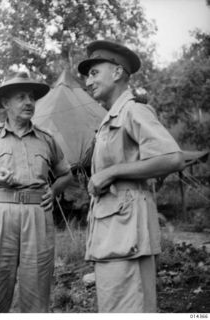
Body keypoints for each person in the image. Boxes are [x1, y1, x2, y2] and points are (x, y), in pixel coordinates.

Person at [77, 40, 185, 312]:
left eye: (93, 73)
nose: (88, 81)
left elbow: (172, 158)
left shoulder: (133, 111)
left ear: (116, 73)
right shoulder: (111, 117)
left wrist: (112, 172)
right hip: (114, 235)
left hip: (126, 237)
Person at [0, 72, 73, 313]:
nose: (29, 102)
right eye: (21, 97)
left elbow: (67, 174)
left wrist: (53, 191)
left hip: (37, 215)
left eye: (32, 97)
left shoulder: (46, 139)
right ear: (5, 103)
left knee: (36, 291)